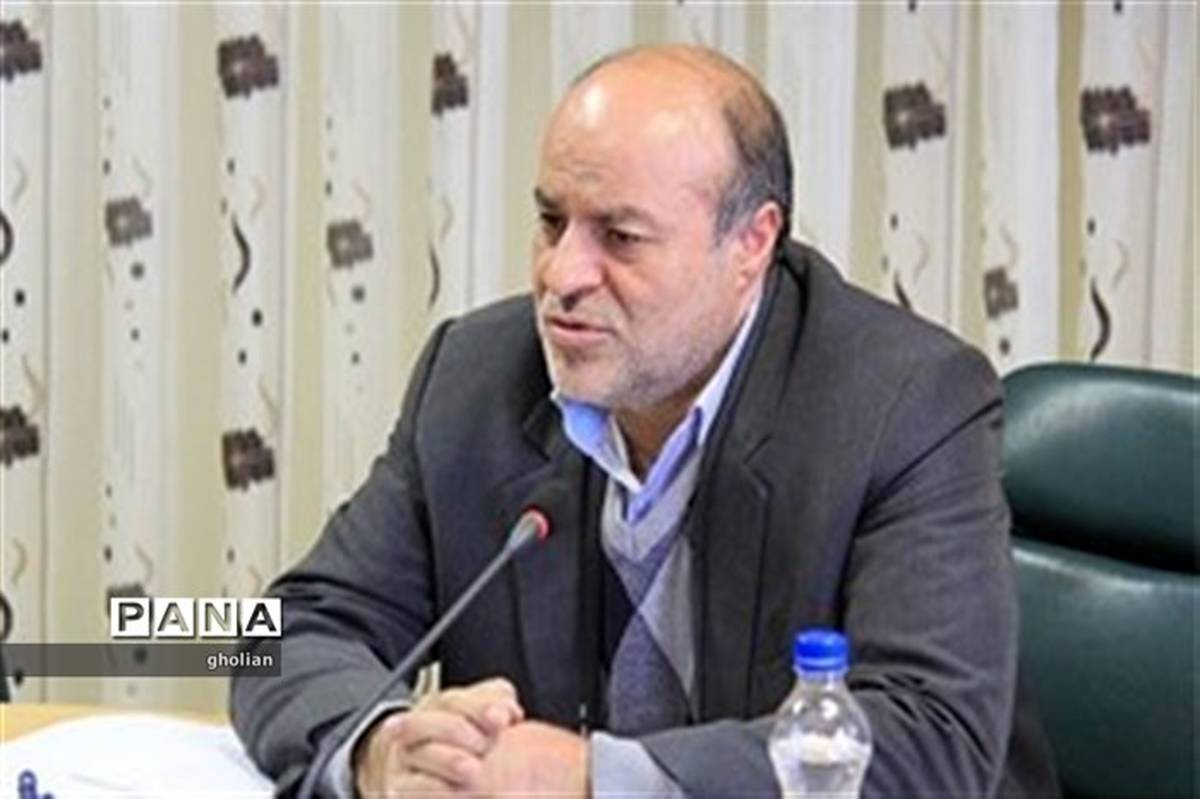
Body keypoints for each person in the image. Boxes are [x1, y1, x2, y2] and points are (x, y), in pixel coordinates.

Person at [231, 45, 1058, 798]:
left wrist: (594, 779)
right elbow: (276, 631)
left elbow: (932, 739)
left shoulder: (906, 402)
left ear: (752, 244)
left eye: (620, 236)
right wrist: (377, 745)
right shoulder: (474, 376)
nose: (562, 275)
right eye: (551, 221)